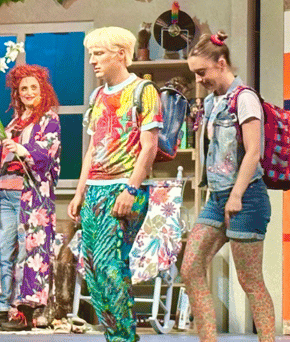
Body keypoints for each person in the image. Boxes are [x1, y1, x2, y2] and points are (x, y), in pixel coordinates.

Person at [180, 31, 276, 342]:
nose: (199, 80)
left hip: (246, 198)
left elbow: (253, 150)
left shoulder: (244, 98)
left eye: (202, 72)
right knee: (190, 267)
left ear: (221, 63)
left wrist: (236, 195)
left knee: (250, 281)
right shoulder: (211, 102)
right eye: (195, 74)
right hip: (217, 198)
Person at [68, 26, 162, 342]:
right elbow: (92, 149)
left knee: (110, 266)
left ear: (120, 54)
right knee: (93, 269)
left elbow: (149, 147)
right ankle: (113, 336)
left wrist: (131, 189)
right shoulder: (96, 96)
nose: (92, 61)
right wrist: (79, 191)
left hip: (123, 187)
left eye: (99, 53)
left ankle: (124, 338)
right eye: (91, 54)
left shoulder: (142, 90)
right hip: (95, 189)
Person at [0, 64, 62, 331]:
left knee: (26, 252)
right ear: (17, 94)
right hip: (5, 193)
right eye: (24, 89)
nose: (29, 92)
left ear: (43, 90)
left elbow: (47, 154)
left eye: (34, 87)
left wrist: (22, 148)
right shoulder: (14, 122)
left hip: (29, 196)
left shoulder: (49, 120)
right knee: (1, 252)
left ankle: (24, 313)